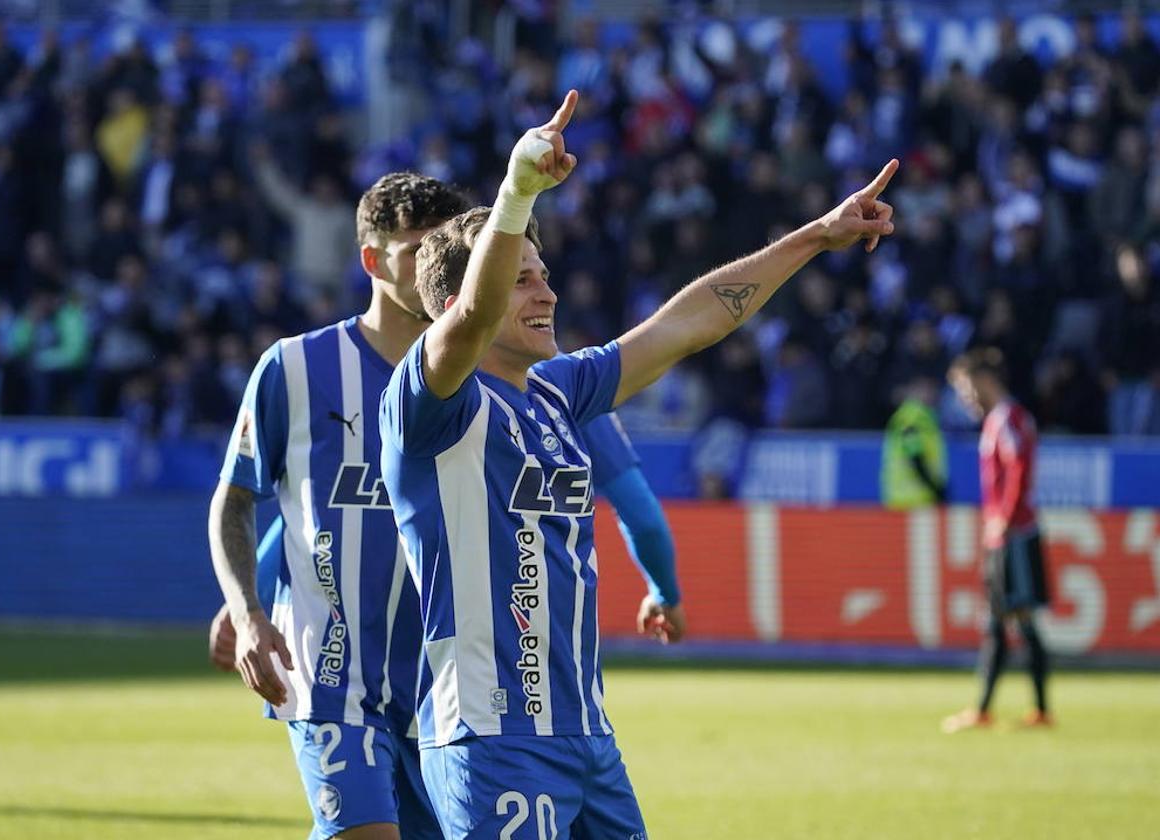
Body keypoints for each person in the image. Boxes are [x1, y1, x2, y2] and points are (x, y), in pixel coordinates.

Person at [378, 89, 896, 837]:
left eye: (545, 272)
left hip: (587, 736)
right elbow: (467, 322)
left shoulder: (560, 392)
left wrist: (814, 236)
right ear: (466, 298)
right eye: (523, 277)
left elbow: (688, 323)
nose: (547, 291)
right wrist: (518, 190)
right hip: (493, 738)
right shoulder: (428, 403)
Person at [208, 171, 682, 840]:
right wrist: (247, 605)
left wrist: (665, 585)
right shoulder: (295, 369)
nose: (438, 257)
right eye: (416, 248)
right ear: (374, 261)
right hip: (338, 677)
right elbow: (276, 509)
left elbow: (633, 498)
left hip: (449, 689)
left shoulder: (534, 379)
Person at [942, 348, 1052, 734]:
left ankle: (1032, 710)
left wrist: (1004, 519)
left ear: (985, 380)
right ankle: (992, 709)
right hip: (1003, 532)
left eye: (965, 387)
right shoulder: (998, 420)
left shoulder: (1009, 418)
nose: (964, 397)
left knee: (1015, 620)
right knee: (1000, 621)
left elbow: (1020, 469)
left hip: (1013, 534)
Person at [881, 375, 948, 509]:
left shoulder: (919, 416)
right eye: (924, 388)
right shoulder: (912, 418)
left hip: (908, 499)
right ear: (912, 390)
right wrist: (935, 487)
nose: (930, 393)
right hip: (912, 500)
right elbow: (914, 456)